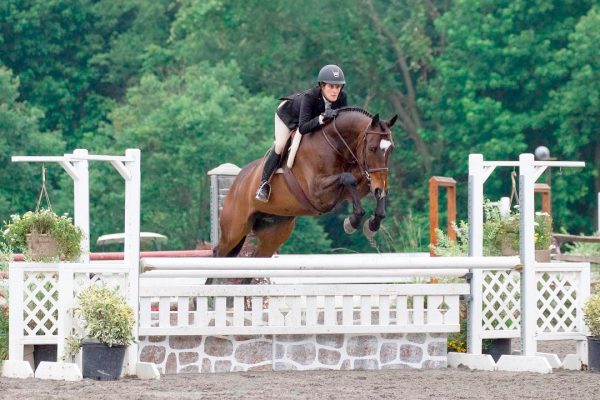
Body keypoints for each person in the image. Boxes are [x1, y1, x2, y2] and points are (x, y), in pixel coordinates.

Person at [255, 64, 348, 202]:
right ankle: (263, 184)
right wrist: (323, 117)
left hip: (310, 120)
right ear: (322, 86)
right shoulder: (310, 97)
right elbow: (303, 127)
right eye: (331, 86)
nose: (335, 91)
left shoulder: (342, 98)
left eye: (338, 87)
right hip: (287, 116)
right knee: (280, 145)